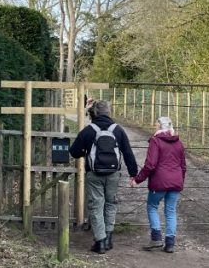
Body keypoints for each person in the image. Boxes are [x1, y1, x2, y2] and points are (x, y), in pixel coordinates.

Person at [69, 99, 138, 254]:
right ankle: (108, 238)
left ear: (95, 113)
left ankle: (100, 241)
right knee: (110, 204)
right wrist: (133, 174)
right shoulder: (118, 130)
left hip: (94, 174)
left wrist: (84, 152)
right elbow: (128, 153)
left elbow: (74, 152)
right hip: (113, 174)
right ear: (108, 112)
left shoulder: (89, 130)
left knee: (96, 205)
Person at [131, 116, 186, 254]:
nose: (154, 126)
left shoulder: (155, 141)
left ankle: (156, 238)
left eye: (156, 124)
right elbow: (183, 166)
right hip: (176, 182)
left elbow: (150, 165)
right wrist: (180, 181)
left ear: (159, 126)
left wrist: (137, 179)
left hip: (159, 182)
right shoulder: (179, 142)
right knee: (171, 211)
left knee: (152, 206)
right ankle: (170, 244)